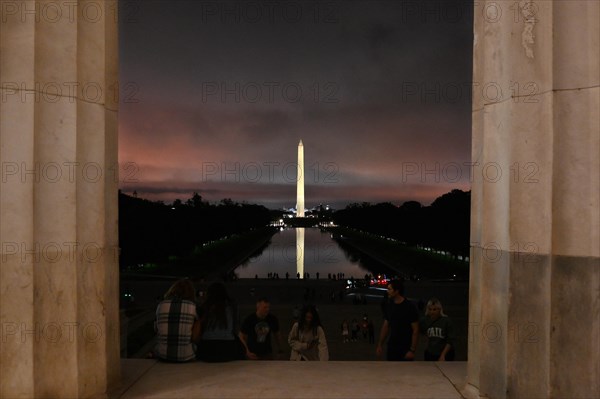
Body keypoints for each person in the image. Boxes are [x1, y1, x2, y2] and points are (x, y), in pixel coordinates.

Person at [196, 282, 245, 362]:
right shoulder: (232, 305)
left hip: (206, 349)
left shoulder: (205, 306)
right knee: (241, 349)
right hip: (227, 349)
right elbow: (236, 330)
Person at [154, 279, 201, 362]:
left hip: (163, 355)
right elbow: (195, 336)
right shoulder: (192, 307)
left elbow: (156, 330)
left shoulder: (161, 305)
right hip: (186, 356)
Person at [376, 279, 419, 361]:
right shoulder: (389, 306)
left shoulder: (409, 307)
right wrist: (380, 344)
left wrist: (412, 350)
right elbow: (386, 326)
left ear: (397, 291)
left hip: (405, 347)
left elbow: (415, 330)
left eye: (389, 289)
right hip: (392, 346)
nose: (387, 291)